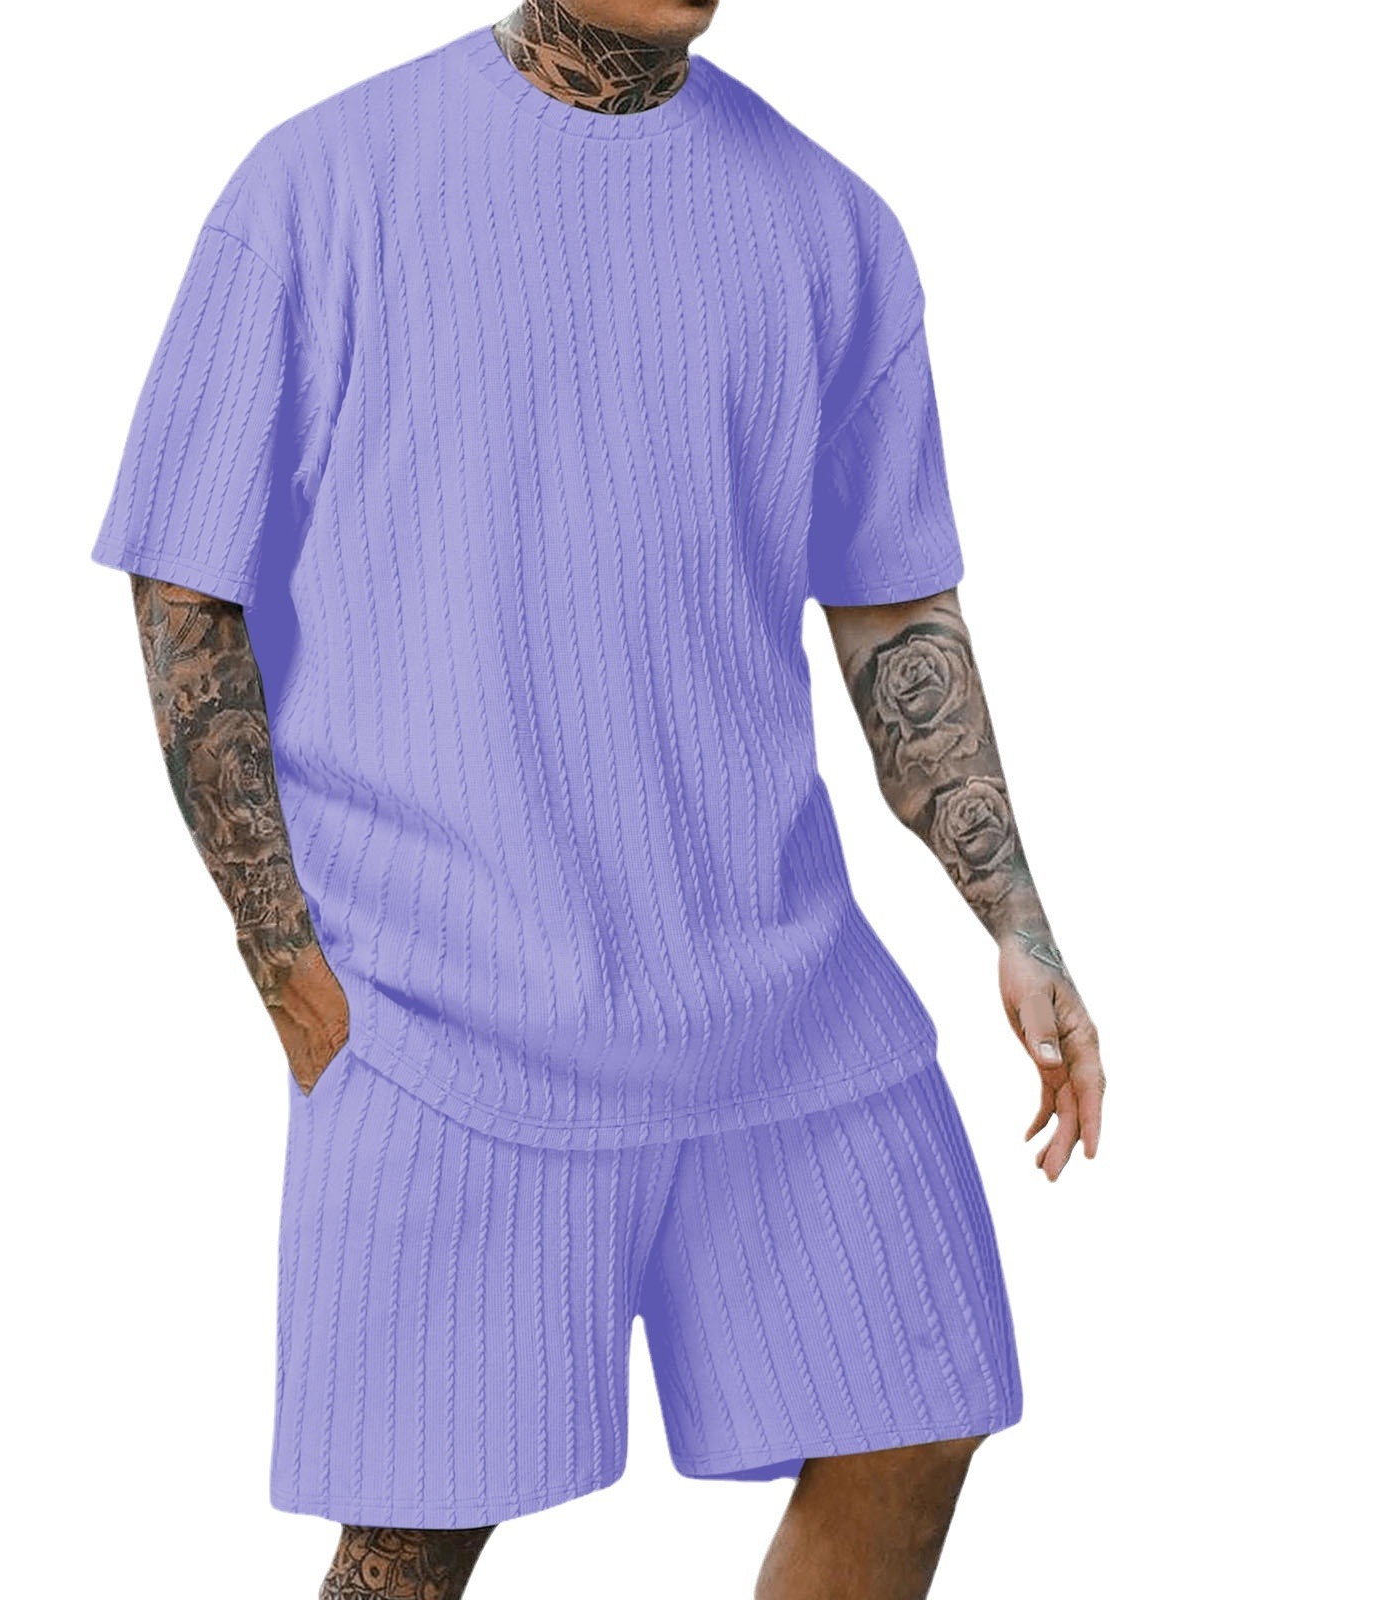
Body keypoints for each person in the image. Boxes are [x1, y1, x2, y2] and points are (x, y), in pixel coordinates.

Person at [89, 1, 1106, 1594]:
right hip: (446, 1013)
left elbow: (895, 610)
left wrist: (1019, 921)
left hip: (785, 1005)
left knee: (917, 1419)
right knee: (412, 1544)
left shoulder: (830, 224)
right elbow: (184, 584)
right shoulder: (320, 188)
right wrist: (280, 950)